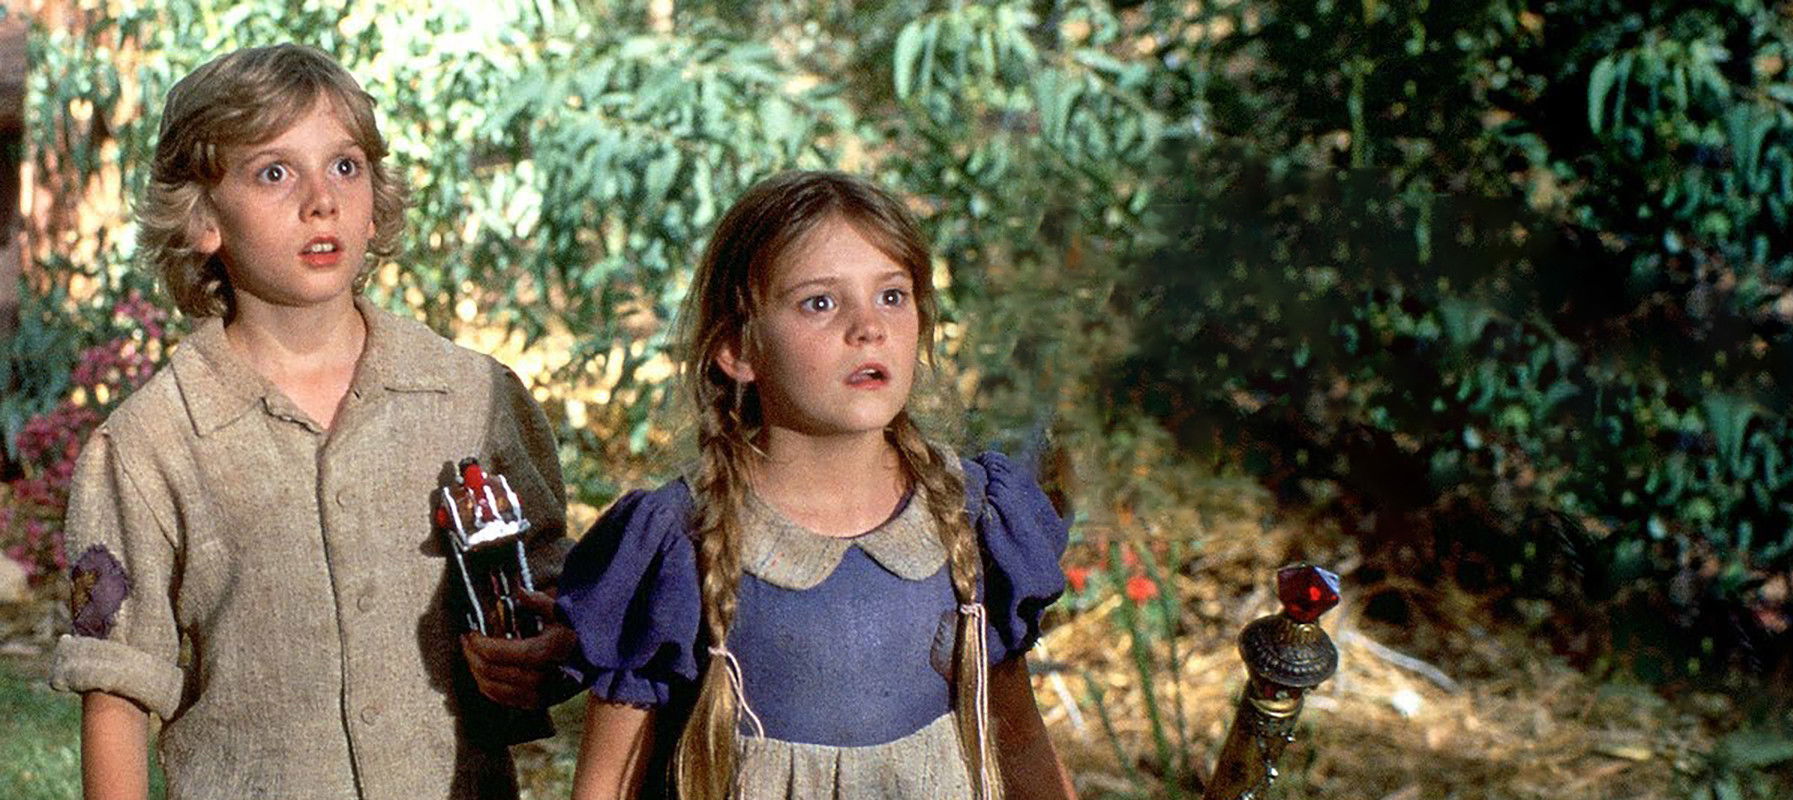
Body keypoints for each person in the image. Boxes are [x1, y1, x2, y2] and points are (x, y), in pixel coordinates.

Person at [49, 44, 575, 800]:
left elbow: (559, 598)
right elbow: (117, 693)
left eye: (345, 166)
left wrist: (549, 653)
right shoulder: (150, 445)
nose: (321, 200)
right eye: (275, 173)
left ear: (375, 199)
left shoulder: (473, 398)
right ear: (202, 219)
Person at [558, 170, 1078, 800]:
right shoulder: (678, 542)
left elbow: (1017, 744)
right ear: (737, 350)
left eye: (892, 296)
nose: (869, 328)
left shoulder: (972, 518)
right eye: (821, 303)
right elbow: (607, 784)